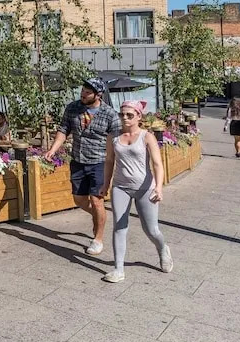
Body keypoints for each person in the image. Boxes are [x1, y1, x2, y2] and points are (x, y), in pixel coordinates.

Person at [99, 99, 172, 283]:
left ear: (139, 116)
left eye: (129, 115)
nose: (125, 118)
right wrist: (106, 184)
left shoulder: (147, 137)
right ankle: (118, 269)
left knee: (151, 230)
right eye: (122, 114)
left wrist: (159, 188)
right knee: (119, 227)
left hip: (145, 188)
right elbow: (109, 161)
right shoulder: (113, 136)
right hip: (120, 187)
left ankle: (163, 249)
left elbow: (157, 164)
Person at [44, 77, 120, 255]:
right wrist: (53, 150)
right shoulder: (73, 108)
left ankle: (98, 239)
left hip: (100, 162)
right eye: (82, 91)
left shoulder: (110, 114)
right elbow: (64, 130)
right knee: (79, 200)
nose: (83, 94)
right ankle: (97, 216)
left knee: (96, 201)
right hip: (78, 161)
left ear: (98, 95)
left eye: (87, 93)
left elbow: (117, 140)